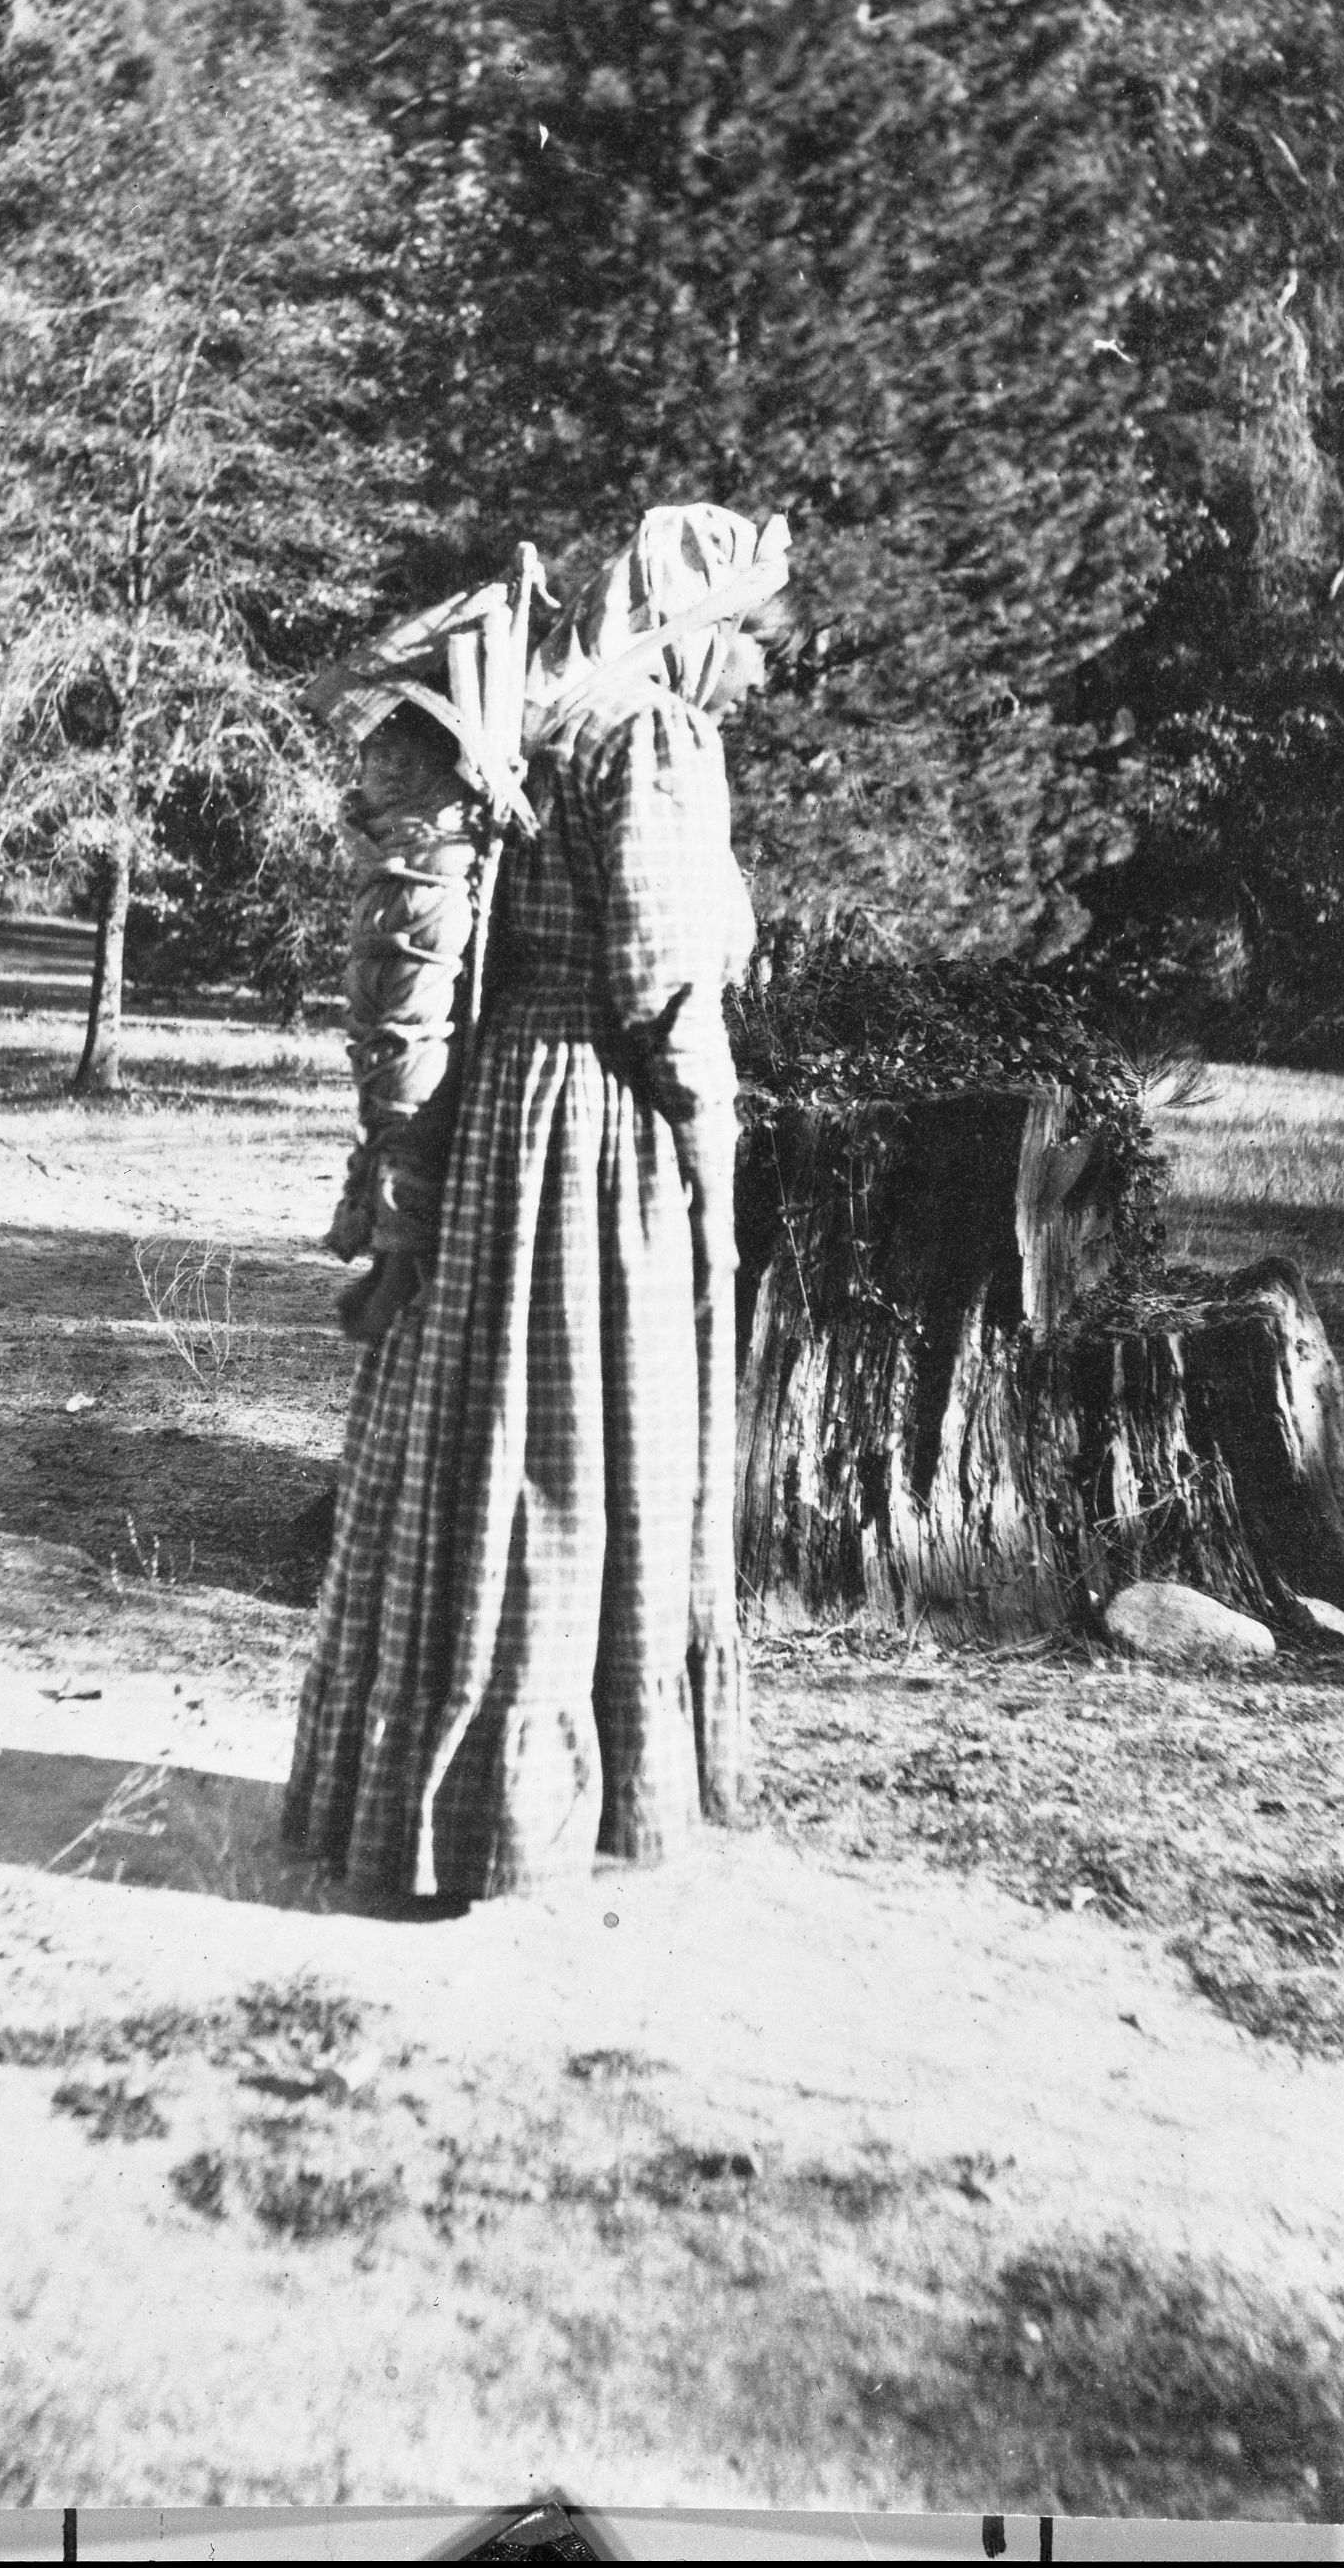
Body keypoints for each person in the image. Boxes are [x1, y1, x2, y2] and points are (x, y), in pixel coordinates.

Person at [285, 502, 793, 1901]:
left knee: (484, 1439)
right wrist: (711, 1139)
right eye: (751, 642)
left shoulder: (547, 719)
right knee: (583, 1452)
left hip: (509, 1114)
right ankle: (535, 1815)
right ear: (697, 631)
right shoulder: (649, 736)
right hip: (599, 1122)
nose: (757, 675)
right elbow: (662, 981)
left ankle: (434, 1807)